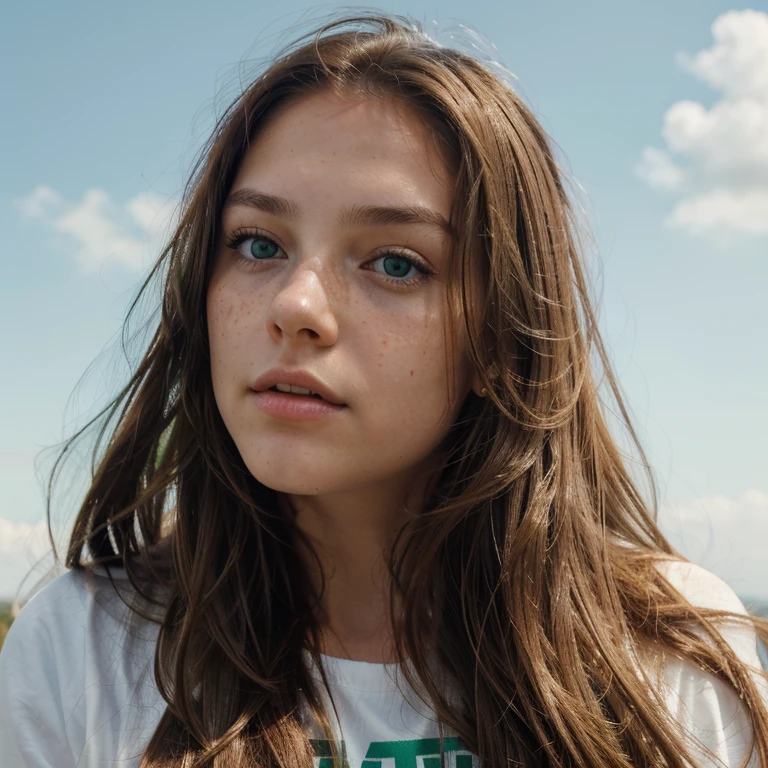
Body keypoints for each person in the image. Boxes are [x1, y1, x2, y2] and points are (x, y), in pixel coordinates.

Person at [1, 12, 767, 768]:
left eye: (395, 262)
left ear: (501, 337)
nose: (295, 306)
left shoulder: (671, 659)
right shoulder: (84, 651)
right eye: (257, 244)